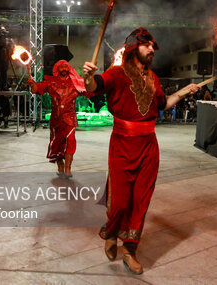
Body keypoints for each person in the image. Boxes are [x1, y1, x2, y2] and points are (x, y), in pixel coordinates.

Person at [83, 27, 199, 275]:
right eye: (147, 46)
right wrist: (88, 77)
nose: (152, 51)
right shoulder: (116, 73)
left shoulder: (154, 79)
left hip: (149, 145)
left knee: (141, 200)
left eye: (153, 47)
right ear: (134, 48)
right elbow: (95, 86)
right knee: (121, 199)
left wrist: (183, 91)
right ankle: (111, 233)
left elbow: (162, 104)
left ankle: (130, 251)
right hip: (123, 143)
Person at [28, 60, 91, 178]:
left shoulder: (75, 82)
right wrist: (32, 84)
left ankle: (68, 169)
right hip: (56, 119)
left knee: (70, 141)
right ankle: (60, 166)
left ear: (69, 68)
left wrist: (91, 79)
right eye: (61, 67)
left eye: (66, 67)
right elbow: (36, 90)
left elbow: (89, 91)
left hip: (70, 118)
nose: (64, 69)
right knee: (57, 144)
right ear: (57, 69)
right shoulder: (51, 82)